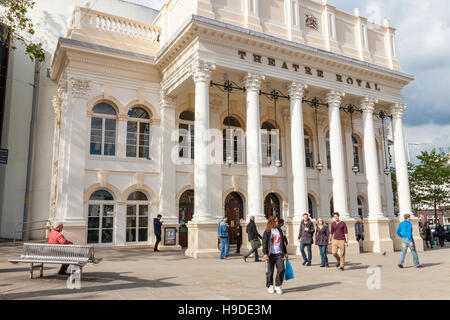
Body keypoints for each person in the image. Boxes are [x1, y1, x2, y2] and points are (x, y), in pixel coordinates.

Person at [263, 216, 288, 295]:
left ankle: (278, 285)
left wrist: (285, 252)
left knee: (281, 269)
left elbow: (282, 242)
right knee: (270, 271)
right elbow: (264, 243)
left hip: (279, 253)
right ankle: (270, 285)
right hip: (270, 254)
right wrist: (265, 253)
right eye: (276, 221)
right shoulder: (267, 231)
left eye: (277, 221)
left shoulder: (279, 230)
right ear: (271, 222)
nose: (277, 223)